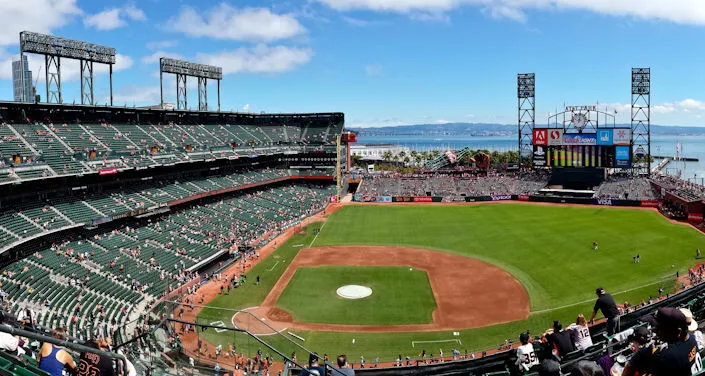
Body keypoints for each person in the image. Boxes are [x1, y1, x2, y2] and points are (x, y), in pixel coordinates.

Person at [622, 307, 700, 376]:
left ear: (678, 332)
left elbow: (630, 366)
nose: (657, 331)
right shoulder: (692, 338)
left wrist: (648, 352)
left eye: (661, 328)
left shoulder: (667, 356)